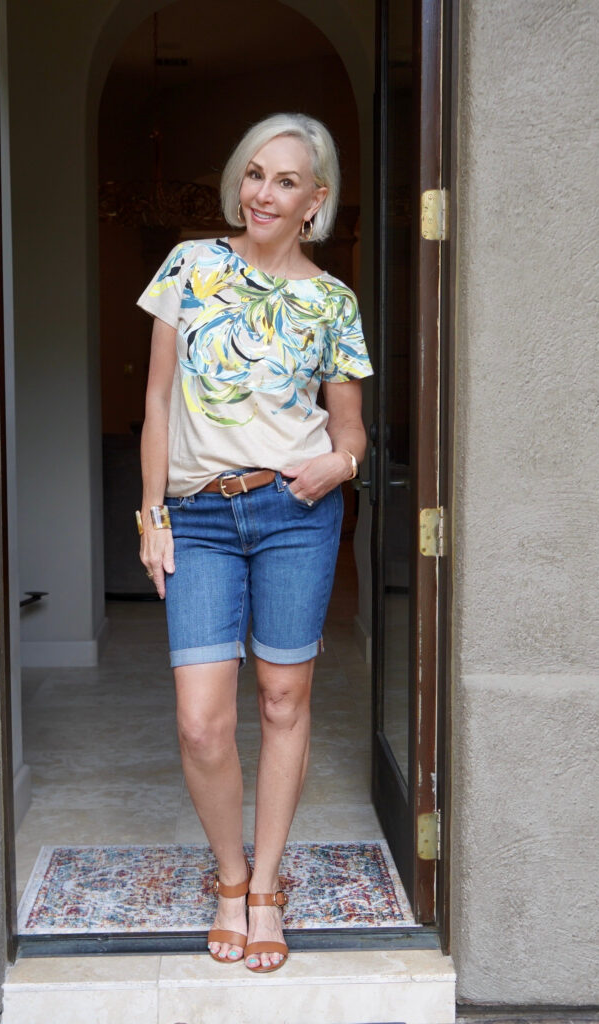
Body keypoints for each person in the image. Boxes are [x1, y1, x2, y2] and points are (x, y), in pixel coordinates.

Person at [136, 113, 372, 974]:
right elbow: (160, 404)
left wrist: (333, 470)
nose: (262, 193)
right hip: (197, 516)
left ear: (316, 201)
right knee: (201, 723)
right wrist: (151, 513)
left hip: (293, 517)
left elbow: (350, 437)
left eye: (284, 181)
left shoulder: (332, 302)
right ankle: (228, 876)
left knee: (281, 702)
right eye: (253, 175)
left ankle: (264, 886)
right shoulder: (193, 266)